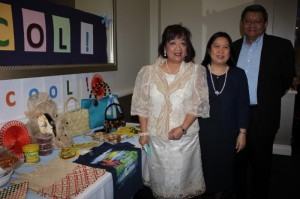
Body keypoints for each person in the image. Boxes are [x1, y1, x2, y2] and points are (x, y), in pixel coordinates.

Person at [131, 24, 210, 199]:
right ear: (164, 47)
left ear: (188, 48)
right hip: (158, 140)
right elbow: (142, 105)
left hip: (184, 139)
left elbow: (197, 106)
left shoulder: (196, 72)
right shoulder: (148, 72)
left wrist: (182, 128)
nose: (178, 47)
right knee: (161, 185)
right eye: (173, 42)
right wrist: (144, 132)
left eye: (183, 43)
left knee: (182, 186)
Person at [233, 4, 295, 199]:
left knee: (261, 162)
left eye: (257, 21)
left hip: (264, 114)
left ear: (265, 23)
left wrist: (267, 97)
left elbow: (286, 79)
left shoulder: (282, 46)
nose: (252, 25)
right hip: (236, 115)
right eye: (248, 21)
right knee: (237, 160)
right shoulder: (232, 47)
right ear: (242, 24)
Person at [198, 32, 250, 199]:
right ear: (209, 50)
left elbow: (243, 105)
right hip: (201, 131)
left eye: (226, 47)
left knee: (223, 168)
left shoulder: (238, 74)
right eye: (216, 46)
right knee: (201, 167)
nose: (221, 51)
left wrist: (242, 132)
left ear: (230, 51)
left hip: (227, 131)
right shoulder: (197, 72)